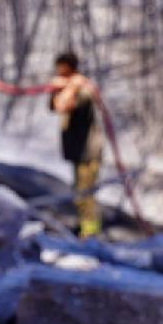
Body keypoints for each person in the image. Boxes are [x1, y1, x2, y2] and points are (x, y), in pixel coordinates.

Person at [49, 52, 103, 238]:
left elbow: (67, 106)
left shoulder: (83, 89)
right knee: (78, 192)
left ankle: (90, 233)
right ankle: (84, 228)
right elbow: (52, 106)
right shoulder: (67, 88)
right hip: (78, 152)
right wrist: (57, 89)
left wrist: (68, 87)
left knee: (85, 194)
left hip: (89, 152)